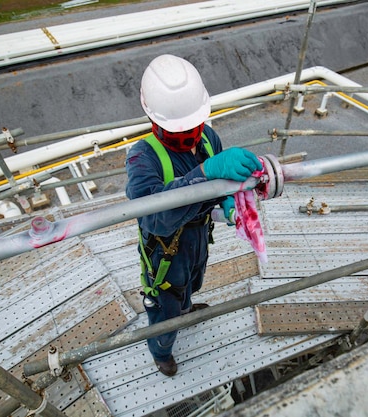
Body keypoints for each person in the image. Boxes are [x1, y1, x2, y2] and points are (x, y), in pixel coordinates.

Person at [125, 54, 262, 377]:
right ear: (154, 120)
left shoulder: (209, 139)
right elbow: (153, 218)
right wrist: (205, 173)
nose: (190, 136)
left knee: (192, 282)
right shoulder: (142, 159)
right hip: (166, 251)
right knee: (165, 309)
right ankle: (161, 351)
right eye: (180, 131)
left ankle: (186, 306)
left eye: (194, 127)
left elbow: (224, 183)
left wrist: (230, 202)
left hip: (198, 238)